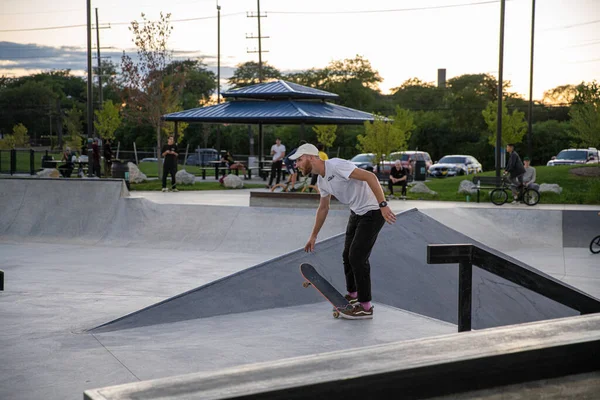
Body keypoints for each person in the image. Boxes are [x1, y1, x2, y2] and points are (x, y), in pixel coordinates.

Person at [290, 144, 396, 320]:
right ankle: (353, 295)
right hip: (357, 212)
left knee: (357, 257)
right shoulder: (321, 180)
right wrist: (314, 235)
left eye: (299, 160)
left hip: (373, 211)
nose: (297, 165)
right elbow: (323, 208)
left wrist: (383, 204)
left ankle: (366, 306)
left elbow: (370, 176)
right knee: (347, 255)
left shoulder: (336, 165)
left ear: (311, 157)